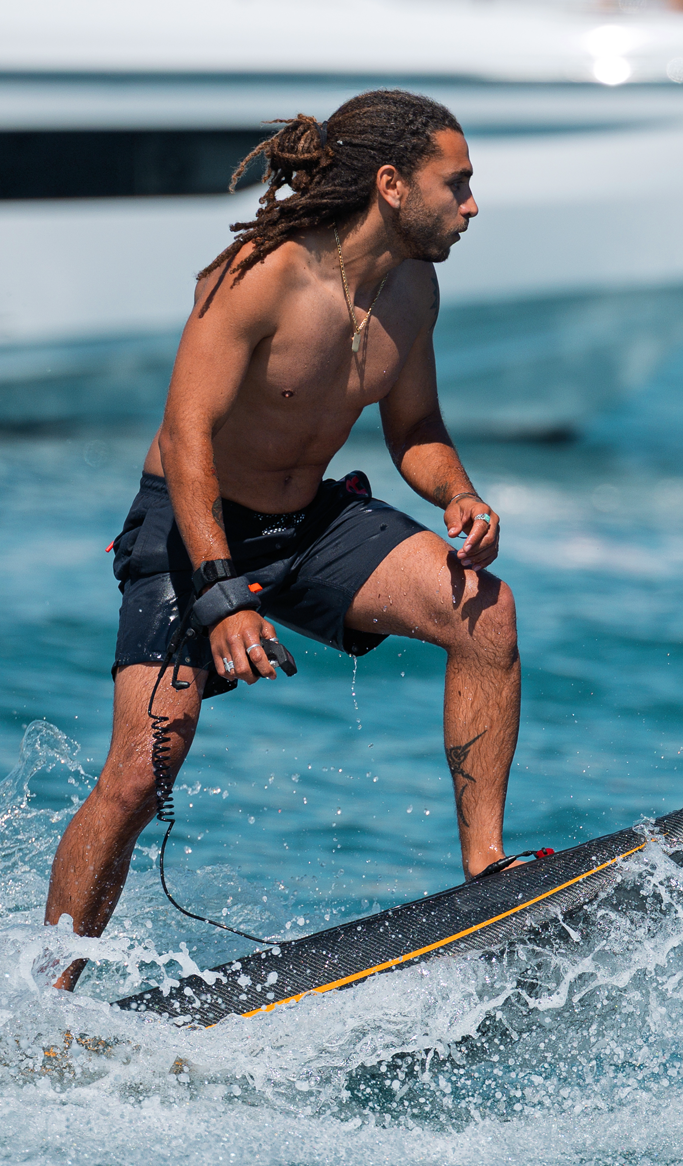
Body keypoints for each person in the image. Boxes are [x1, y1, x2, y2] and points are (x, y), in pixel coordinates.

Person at [44, 89, 521, 990]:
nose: (470, 204)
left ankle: (487, 872)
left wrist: (459, 494)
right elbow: (188, 435)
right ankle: (45, 1001)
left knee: (484, 610)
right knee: (142, 773)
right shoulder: (258, 274)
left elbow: (415, 422)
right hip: (196, 528)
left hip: (310, 521)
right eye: (455, 184)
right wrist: (221, 593)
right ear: (391, 184)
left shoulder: (413, 289)